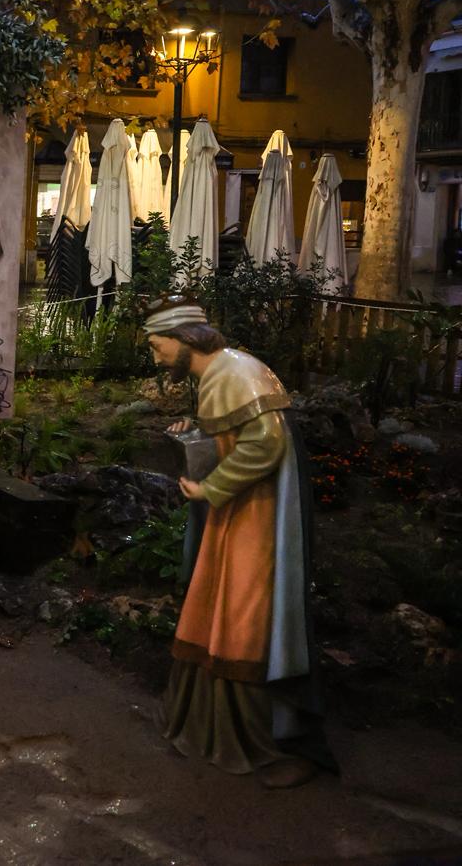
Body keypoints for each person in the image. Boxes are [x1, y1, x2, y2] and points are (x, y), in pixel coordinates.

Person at [145, 295, 334, 789]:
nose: (155, 354)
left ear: (185, 339)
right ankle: (214, 728)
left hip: (257, 521)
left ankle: (279, 743)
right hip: (237, 518)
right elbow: (235, 434)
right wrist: (198, 432)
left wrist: (211, 487)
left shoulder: (236, 373)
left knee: (248, 624)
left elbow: (265, 443)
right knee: (218, 613)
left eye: (158, 344)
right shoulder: (221, 375)